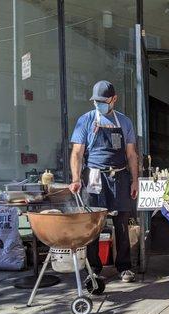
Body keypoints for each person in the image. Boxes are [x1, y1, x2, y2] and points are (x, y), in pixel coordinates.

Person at [69, 80, 139, 283]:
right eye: (96, 101)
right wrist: (75, 178)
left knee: (122, 224)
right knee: (94, 226)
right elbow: (77, 153)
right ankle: (94, 268)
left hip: (119, 177)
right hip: (94, 177)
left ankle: (124, 267)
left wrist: (135, 181)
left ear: (113, 99)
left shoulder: (125, 122)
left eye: (103, 100)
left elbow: (132, 154)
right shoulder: (86, 120)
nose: (98, 104)